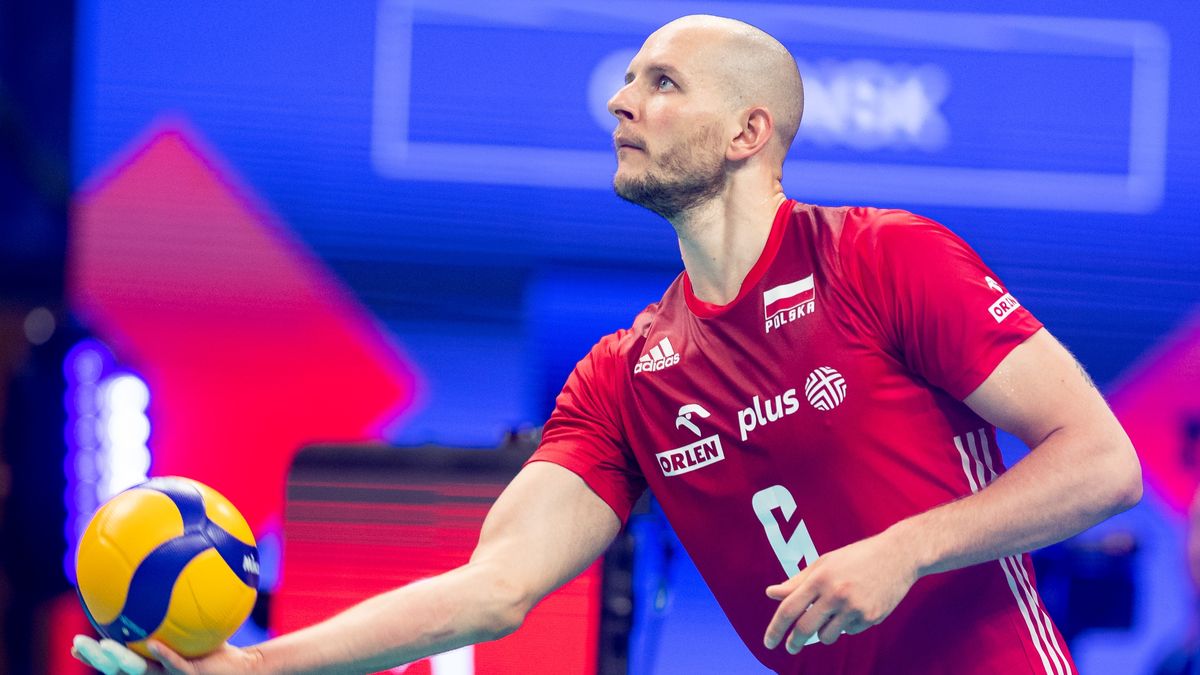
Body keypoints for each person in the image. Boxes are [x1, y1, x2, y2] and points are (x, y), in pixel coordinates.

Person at [73, 14, 1141, 675]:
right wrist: (259, 670)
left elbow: (1102, 463)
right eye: (628, 80)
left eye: (661, 83)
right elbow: (494, 588)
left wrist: (906, 547)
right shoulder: (626, 377)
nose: (622, 102)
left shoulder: (880, 258)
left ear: (748, 133)